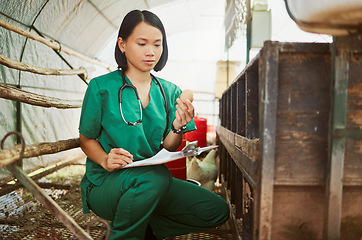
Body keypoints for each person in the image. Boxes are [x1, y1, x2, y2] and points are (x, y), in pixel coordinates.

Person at [78, 9, 229, 240]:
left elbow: (170, 146)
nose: (151, 52)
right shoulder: (101, 88)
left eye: (157, 44)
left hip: (153, 182)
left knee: (216, 210)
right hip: (107, 184)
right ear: (122, 44)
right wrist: (104, 160)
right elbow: (86, 138)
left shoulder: (170, 91)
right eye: (141, 43)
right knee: (155, 177)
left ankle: (142, 225)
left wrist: (177, 126)